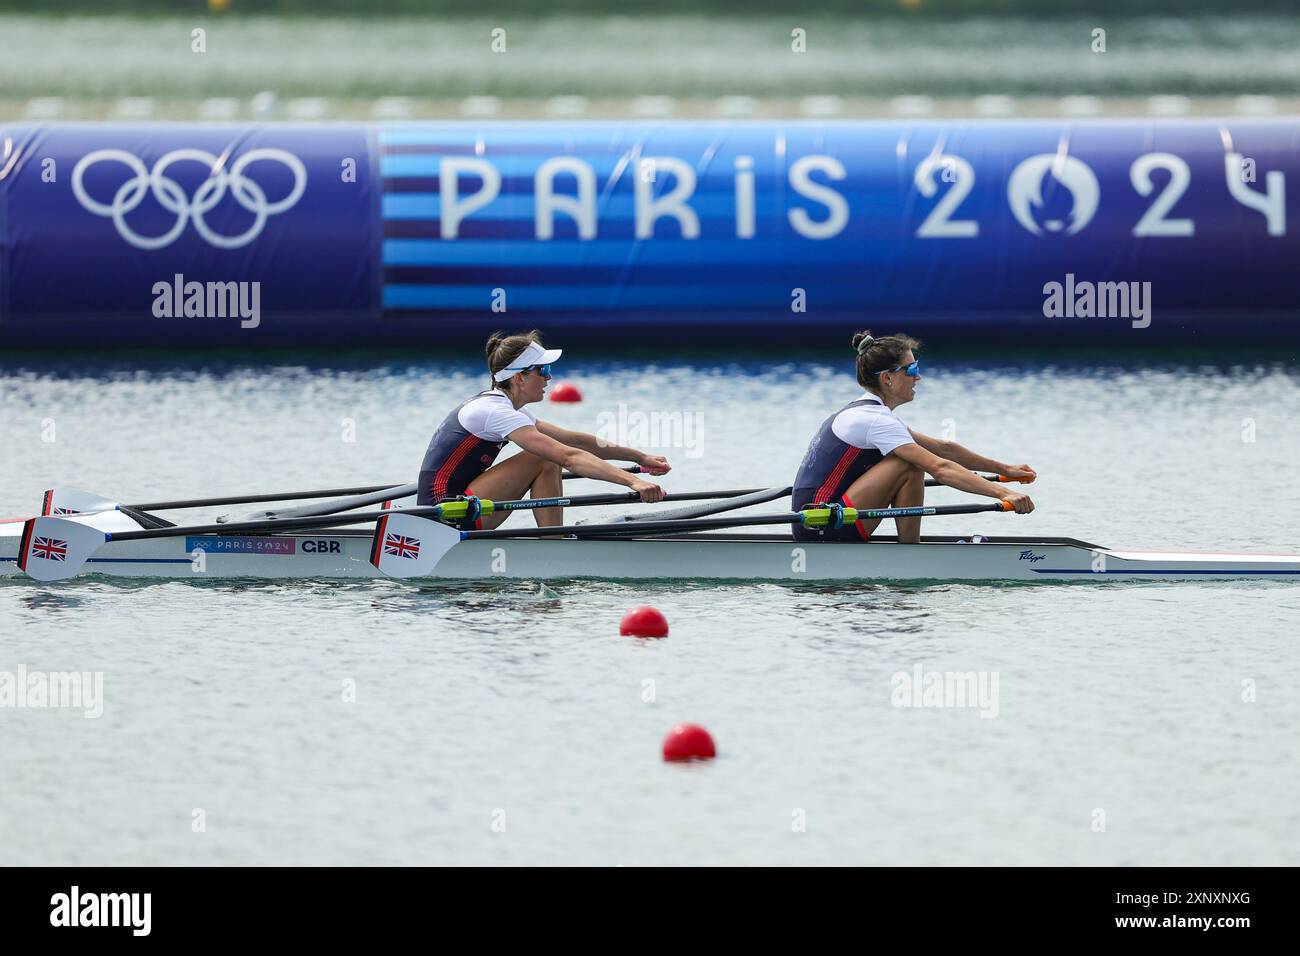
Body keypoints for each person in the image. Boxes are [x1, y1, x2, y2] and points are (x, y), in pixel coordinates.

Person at [791, 331, 1035, 543]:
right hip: (823, 525)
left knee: (912, 458)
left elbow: (944, 449)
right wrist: (1003, 494)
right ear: (887, 378)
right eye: (912, 369)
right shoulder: (875, 420)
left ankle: (910, 553)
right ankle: (911, 554)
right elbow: (939, 467)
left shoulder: (871, 414)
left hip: (822, 520)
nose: (918, 377)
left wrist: (1006, 469)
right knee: (910, 462)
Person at [417, 331, 670, 530]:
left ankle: (553, 540)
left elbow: (574, 441)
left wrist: (641, 458)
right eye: (543, 371)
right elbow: (569, 456)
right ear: (519, 378)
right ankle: (553, 545)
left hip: (464, 505)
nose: (549, 378)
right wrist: (634, 481)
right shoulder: (494, 412)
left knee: (549, 456)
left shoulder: (506, 407)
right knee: (544, 456)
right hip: (445, 514)